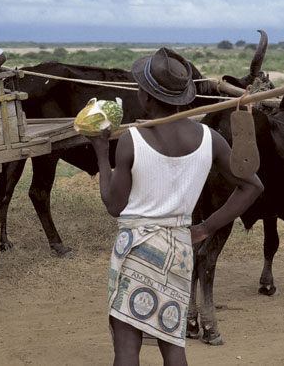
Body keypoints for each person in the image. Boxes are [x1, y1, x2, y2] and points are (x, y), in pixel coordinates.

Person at [87, 48, 264, 366]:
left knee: (127, 346)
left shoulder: (132, 140)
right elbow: (253, 186)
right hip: (180, 250)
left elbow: (114, 205)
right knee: (172, 344)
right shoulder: (210, 139)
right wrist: (206, 228)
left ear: (146, 97)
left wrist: (101, 152)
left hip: (137, 249)